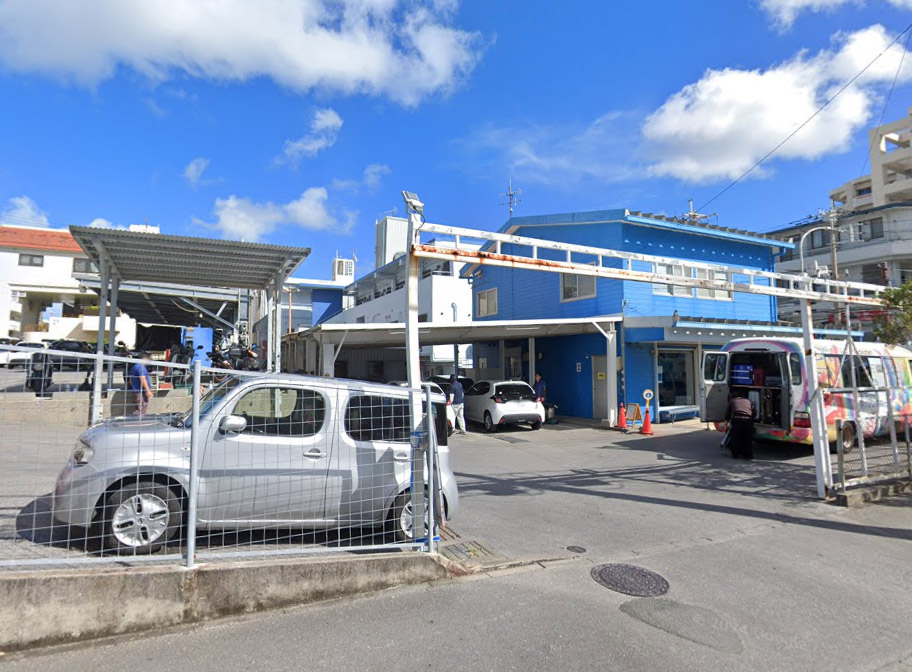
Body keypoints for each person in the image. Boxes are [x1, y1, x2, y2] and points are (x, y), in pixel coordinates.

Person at [725, 391, 755, 459]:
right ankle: (748, 455)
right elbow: (754, 412)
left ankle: (735, 454)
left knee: (735, 437)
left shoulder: (733, 401)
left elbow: (728, 413)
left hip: (737, 419)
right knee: (747, 438)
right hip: (748, 420)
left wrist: (726, 422)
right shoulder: (749, 401)